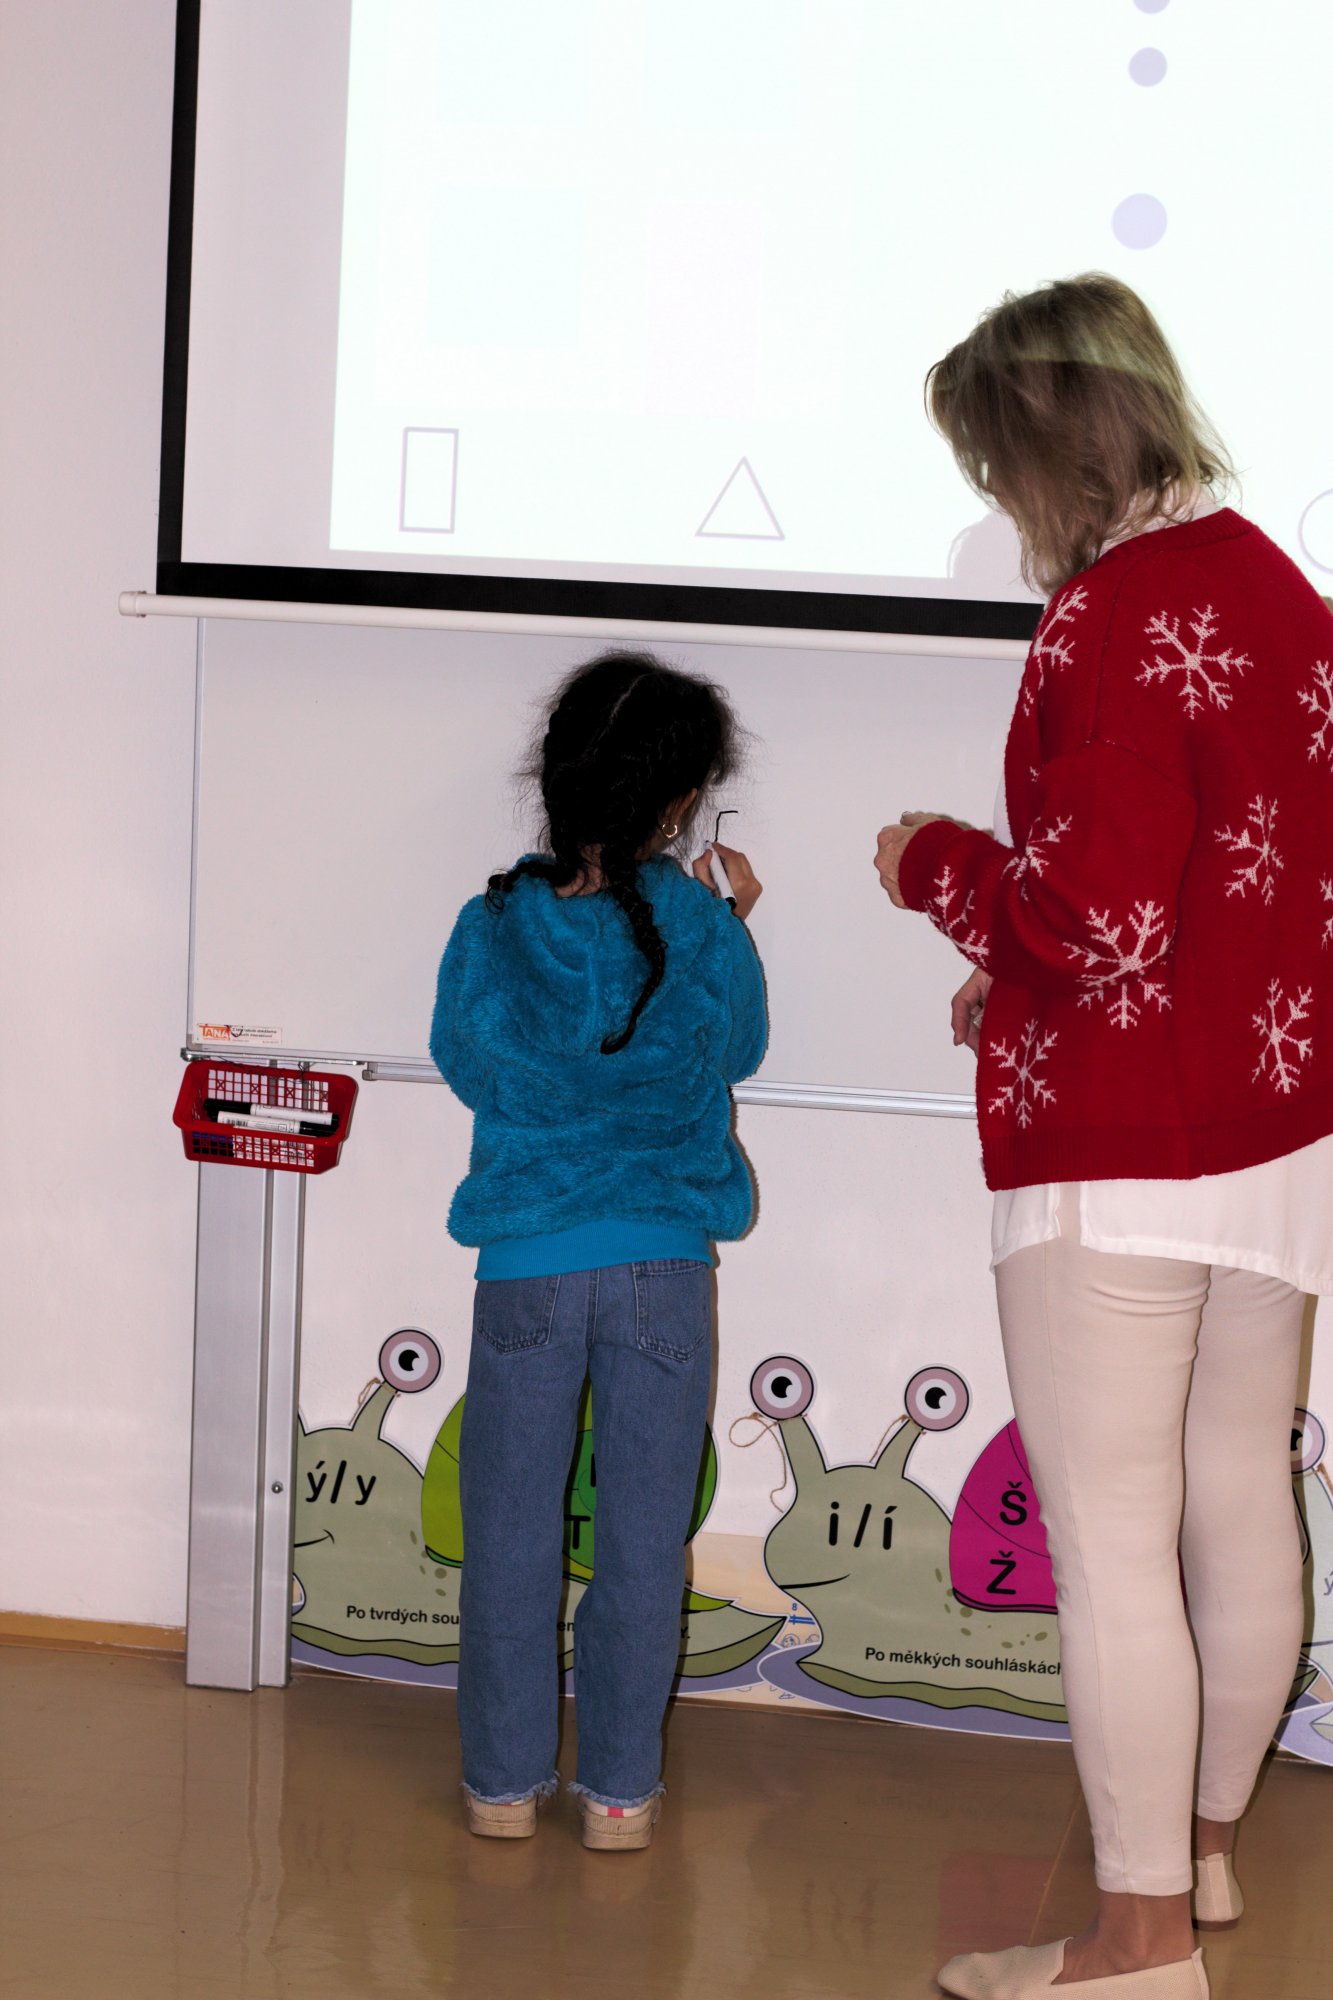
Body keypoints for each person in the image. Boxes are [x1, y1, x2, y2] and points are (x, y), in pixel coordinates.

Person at [875, 274, 1333, 1999]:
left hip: (1122, 1150)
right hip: (1274, 1127)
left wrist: (935, 866)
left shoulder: (1107, 615)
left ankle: (1135, 1949)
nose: (996, 502)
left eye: (993, 465)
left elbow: (1096, 915)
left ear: (1048, 446)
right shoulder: (1278, 588)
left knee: (1117, 1540)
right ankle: (1198, 1855)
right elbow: (1232, 887)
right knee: (1236, 1491)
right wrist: (1026, 968)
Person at [430, 649, 766, 1851]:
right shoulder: (701, 926)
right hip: (661, 1269)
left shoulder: (490, 923)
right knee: (640, 1544)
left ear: (555, 776)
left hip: (523, 1264)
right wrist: (731, 923)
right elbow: (738, 1048)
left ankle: (501, 1784)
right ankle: (618, 1792)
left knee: (508, 1538)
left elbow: (467, 1062)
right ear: (681, 803)